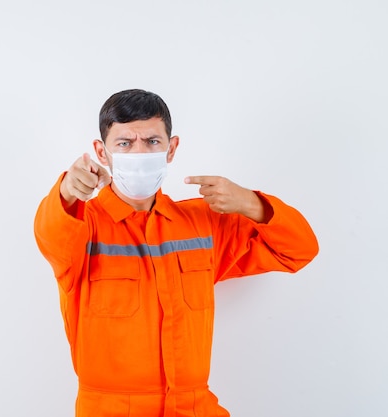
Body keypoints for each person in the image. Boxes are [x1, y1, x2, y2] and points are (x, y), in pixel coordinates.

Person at [33, 89, 319, 417]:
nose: (140, 152)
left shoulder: (203, 224)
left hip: (193, 405)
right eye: (125, 143)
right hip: (111, 408)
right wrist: (67, 192)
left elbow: (298, 250)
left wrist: (251, 203)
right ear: (102, 151)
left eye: (153, 141)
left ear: (171, 148)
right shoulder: (82, 224)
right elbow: (49, 234)